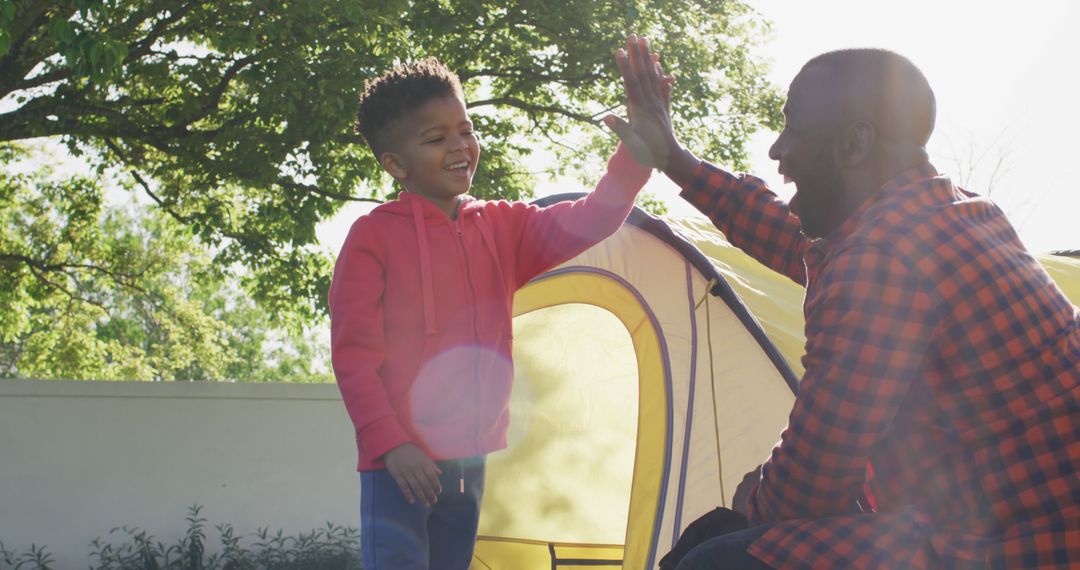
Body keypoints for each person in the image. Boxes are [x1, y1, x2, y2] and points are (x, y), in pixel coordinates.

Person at [606, 34, 1080, 569]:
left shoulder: (882, 259)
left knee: (717, 560)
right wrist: (676, 159)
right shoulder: (949, 213)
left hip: (1015, 545)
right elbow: (795, 241)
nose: (777, 150)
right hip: (1007, 518)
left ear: (854, 144)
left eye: (792, 127)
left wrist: (752, 496)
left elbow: (809, 483)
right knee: (721, 535)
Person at [328, 58, 650, 570]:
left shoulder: (504, 226)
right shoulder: (372, 237)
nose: (459, 146)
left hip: (468, 462)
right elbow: (353, 358)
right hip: (400, 466)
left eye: (466, 129)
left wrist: (639, 151)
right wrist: (391, 444)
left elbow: (595, 216)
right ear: (395, 163)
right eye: (435, 138)